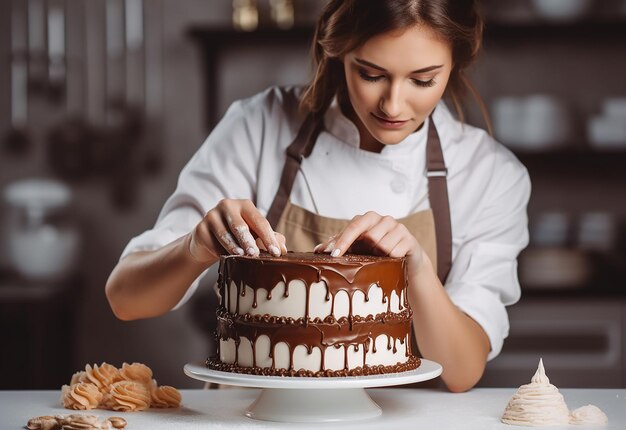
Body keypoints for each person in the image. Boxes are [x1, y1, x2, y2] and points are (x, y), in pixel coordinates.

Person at [106, 0, 530, 393]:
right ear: (338, 49)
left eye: (423, 80)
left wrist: (416, 269)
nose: (393, 104)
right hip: (251, 418)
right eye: (371, 73)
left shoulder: (490, 173)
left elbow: (463, 371)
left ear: (456, 62)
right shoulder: (258, 127)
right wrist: (193, 246)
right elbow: (125, 298)